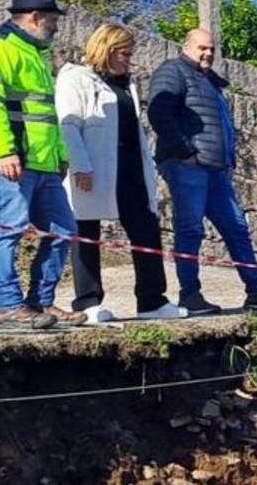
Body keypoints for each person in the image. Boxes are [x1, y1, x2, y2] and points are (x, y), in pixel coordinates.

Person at [147, 29, 257, 315]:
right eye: (202, 48)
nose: (208, 53)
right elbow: (158, 112)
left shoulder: (210, 82)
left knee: (237, 229)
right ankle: (190, 295)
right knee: (190, 229)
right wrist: (185, 152)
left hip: (214, 169)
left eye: (211, 49)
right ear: (186, 46)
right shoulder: (173, 70)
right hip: (188, 165)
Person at [55, 23, 187, 321]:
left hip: (129, 169)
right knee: (86, 231)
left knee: (146, 228)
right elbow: (69, 124)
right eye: (124, 53)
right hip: (92, 167)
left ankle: (152, 301)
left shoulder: (126, 83)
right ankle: (87, 303)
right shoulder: (76, 77)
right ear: (107, 50)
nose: (129, 59)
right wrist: (80, 165)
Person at [0, 0, 85, 329]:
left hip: (43, 162)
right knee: (9, 229)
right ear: (35, 16)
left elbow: (45, 114)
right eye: (52, 20)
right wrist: (5, 150)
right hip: (11, 159)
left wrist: (60, 155)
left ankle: (40, 303)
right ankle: (7, 307)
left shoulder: (35, 53)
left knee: (64, 229)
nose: (56, 28)